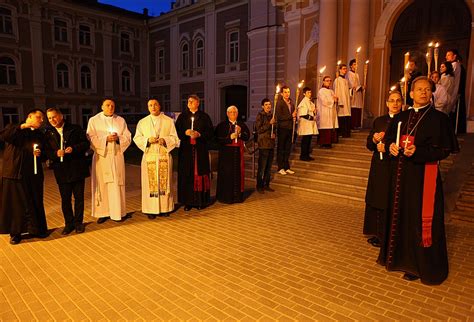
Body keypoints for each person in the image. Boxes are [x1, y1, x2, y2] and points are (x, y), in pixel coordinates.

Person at [381, 76, 459, 285]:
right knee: (401, 215)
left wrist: (419, 151)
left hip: (423, 178)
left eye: (427, 89)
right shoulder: (401, 117)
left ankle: (418, 265)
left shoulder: (439, 119)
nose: (423, 92)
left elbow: (444, 150)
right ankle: (398, 258)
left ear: (431, 93)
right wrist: (391, 147)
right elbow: (389, 140)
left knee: (418, 220)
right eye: (419, 89)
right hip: (399, 178)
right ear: (411, 93)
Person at [0, 109, 48, 244]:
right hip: (14, 173)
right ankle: (15, 233)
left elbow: (45, 153)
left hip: (33, 174)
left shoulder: (39, 134)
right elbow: (4, 136)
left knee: (34, 201)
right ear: (30, 116)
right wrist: (24, 126)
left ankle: (36, 229)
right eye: (39, 117)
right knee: (15, 204)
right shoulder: (14, 128)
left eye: (42, 119)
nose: (42, 120)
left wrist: (41, 154)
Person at [363, 91, 402, 250]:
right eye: (392, 100)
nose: (395, 103)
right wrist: (374, 140)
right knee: (377, 198)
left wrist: (385, 147)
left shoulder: (404, 121)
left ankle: (390, 234)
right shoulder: (379, 121)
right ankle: (377, 232)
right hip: (378, 166)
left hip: (394, 165)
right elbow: (369, 144)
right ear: (386, 103)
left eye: (398, 100)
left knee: (390, 199)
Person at [44, 108, 90, 235]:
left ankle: (78, 223)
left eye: (54, 117)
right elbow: (46, 151)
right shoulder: (48, 133)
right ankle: (69, 224)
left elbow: (85, 143)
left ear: (61, 116)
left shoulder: (74, 128)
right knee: (65, 199)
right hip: (61, 170)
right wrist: (54, 154)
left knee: (79, 198)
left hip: (77, 167)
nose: (52, 120)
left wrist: (73, 148)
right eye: (49, 118)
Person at [86, 99, 131, 223]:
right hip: (102, 156)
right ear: (102, 107)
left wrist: (118, 139)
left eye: (112, 105)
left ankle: (119, 212)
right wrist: (105, 139)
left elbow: (127, 137)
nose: (110, 107)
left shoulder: (120, 120)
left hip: (116, 155)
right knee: (102, 185)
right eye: (107, 105)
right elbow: (90, 137)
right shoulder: (94, 120)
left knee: (117, 183)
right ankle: (103, 213)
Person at [133, 99, 179, 219]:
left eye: (155, 104)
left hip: (163, 156)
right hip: (150, 157)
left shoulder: (168, 121)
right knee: (150, 185)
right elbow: (137, 138)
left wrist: (165, 140)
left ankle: (165, 208)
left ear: (159, 106)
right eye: (150, 105)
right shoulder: (142, 122)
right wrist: (147, 140)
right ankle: (150, 210)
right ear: (148, 107)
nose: (153, 107)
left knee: (165, 183)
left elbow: (175, 138)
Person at [175, 94, 214, 211]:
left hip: (200, 150)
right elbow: (176, 132)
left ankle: (200, 201)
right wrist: (185, 133)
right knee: (187, 175)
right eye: (188, 101)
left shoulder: (204, 117)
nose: (189, 103)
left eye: (192, 101)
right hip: (186, 150)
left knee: (200, 174)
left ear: (198, 103)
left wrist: (199, 134)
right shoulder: (182, 117)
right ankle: (187, 202)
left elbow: (210, 132)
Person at [215, 106, 250, 203]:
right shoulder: (222, 125)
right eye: (231, 112)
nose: (233, 114)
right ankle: (226, 197)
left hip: (237, 153)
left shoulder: (241, 125)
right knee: (227, 175)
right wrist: (229, 137)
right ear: (227, 114)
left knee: (237, 175)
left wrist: (239, 134)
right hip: (226, 155)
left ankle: (237, 197)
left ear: (237, 114)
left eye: (235, 112)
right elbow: (217, 139)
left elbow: (247, 136)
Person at [255, 98, 276, 193]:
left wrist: (274, 132)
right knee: (262, 167)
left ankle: (266, 184)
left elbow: (274, 128)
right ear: (262, 106)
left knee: (268, 167)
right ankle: (259, 186)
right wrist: (269, 123)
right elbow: (259, 129)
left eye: (269, 104)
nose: (268, 106)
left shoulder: (272, 115)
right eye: (266, 104)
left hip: (271, 144)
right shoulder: (260, 115)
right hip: (263, 144)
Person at [274, 85, 297, 175]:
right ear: (282, 93)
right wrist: (290, 116)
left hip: (290, 128)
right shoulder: (279, 103)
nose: (287, 94)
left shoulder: (291, 103)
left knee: (288, 148)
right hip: (282, 128)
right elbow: (279, 116)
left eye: (288, 92)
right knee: (281, 148)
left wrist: (295, 117)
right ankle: (280, 167)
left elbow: (293, 114)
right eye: (285, 92)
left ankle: (286, 167)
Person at [445, 49, 466, 133]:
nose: (446, 57)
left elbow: (452, 80)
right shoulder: (456, 65)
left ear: (454, 56)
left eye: (449, 55)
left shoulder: (455, 65)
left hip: (454, 92)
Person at [317, 76, 339, 148]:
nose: (329, 82)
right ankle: (323, 143)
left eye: (330, 81)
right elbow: (324, 101)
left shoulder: (331, 91)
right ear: (323, 81)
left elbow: (335, 99)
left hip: (331, 112)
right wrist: (333, 100)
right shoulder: (321, 91)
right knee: (325, 127)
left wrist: (336, 99)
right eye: (327, 81)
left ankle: (329, 142)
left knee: (330, 126)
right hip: (324, 112)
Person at [297, 87, 318, 161]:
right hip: (305, 125)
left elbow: (312, 110)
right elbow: (303, 114)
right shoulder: (303, 102)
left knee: (309, 140)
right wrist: (312, 118)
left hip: (309, 125)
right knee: (305, 141)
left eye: (310, 92)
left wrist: (314, 111)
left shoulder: (310, 102)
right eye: (308, 92)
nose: (310, 94)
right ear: (304, 93)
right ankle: (303, 155)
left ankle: (307, 155)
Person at [333, 64, 351, 138]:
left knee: (346, 116)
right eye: (343, 69)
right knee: (341, 117)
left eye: (345, 69)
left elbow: (347, 91)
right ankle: (341, 132)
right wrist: (339, 102)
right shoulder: (337, 80)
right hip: (341, 102)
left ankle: (346, 133)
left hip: (347, 101)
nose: (345, 70)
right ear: (339, 70)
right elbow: (336, 92)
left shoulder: (346, 80)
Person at [347, 59, 364, 130]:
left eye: (356, 64)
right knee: (353, 108)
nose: (356, 66)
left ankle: (357, 124)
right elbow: (351, 84)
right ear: (351, 66)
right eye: (354, 64)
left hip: (358, 94)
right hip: (353, 93)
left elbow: (358, 84)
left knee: (358, 108)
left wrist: (362, 87)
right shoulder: (349, 73)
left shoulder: (357, 74)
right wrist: (359, 87)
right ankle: (352, 125)